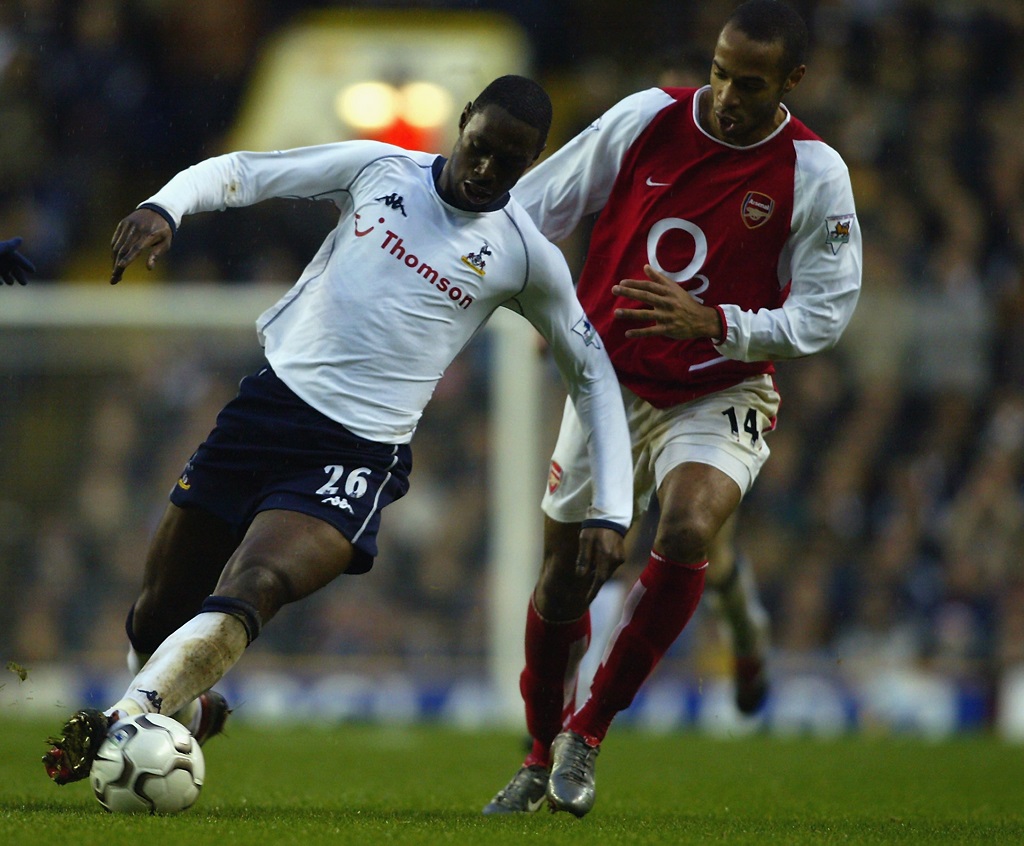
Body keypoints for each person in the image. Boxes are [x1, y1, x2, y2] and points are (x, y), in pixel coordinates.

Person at [41, 74, 634, 787]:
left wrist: (611, 509)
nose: (485, 169)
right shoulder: (379, 168)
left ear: (533, 160)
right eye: (479, 146)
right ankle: (182, 707)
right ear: (464, 120)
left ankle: (122, 717)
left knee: (257, 580)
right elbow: (248, 172)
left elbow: (592, 373)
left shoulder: (526, 255)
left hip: (357, 453)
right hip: (265, 412)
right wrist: (165, 205)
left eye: (509, 162)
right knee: (156, 615)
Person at [484, 0, 861, 818]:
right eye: (720, 73)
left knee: (689, 529)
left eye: (749, 84)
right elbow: (537, 210)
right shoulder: (646, 118)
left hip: (721, 386)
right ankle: (538, 753)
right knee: (565, 584)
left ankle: (587, 734)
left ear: (793, 81)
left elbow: (826, 313)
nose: (726, 95)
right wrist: (536, 304)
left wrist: (719, 324)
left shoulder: (815, 171)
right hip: (609, 384)